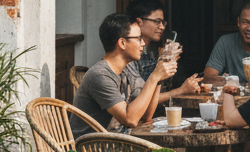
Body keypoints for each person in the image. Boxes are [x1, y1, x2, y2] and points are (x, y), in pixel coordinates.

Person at [69, 13, 202, 139]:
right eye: (138, 39)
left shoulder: (127, 69)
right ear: (122, 43)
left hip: (117, 144)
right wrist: (154, 76)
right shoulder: (100, 75)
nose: (143, 44)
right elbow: (130, 120)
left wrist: (159, 77)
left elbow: (146, 115)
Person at [126, 0, 204, 102]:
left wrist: (168, 62)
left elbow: (162, 89)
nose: (162, 27)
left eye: (163, 22)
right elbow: (140, 100)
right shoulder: (129, 55)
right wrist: (181, 90)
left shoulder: (155, 51)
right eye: (157, 21)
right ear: (139, 22)